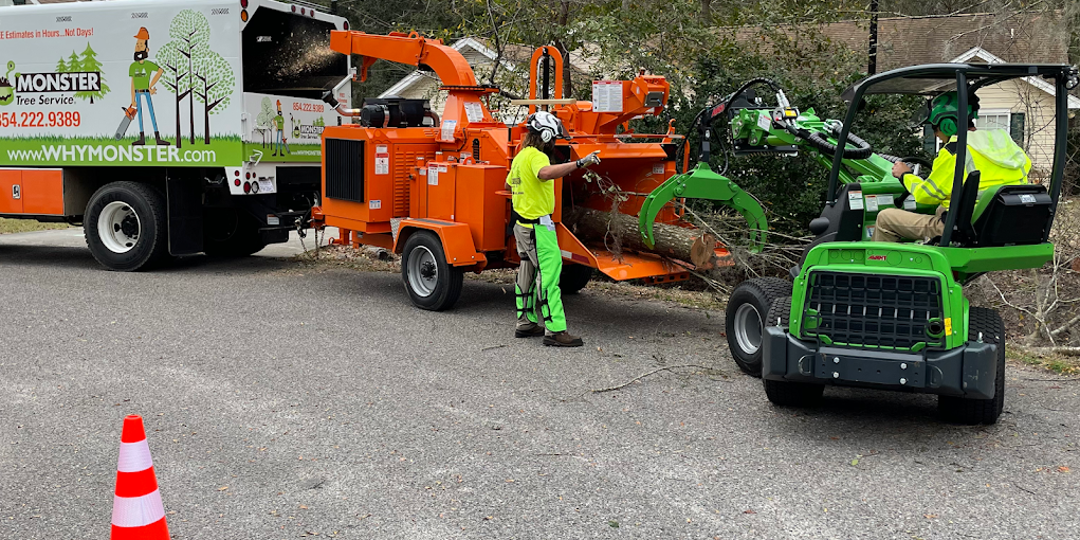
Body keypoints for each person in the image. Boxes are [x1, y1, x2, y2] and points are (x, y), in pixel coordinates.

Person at [873, 91, 1031, 243]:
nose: (935, 134)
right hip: (1001, 221)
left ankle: (879, 269)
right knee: (940, 210)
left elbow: (925, 195)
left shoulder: (955, 151)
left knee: (885, 218)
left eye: (935, 128)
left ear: (947, 124)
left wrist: (905, 175)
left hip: (965, 228)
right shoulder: (1004, 143)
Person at [508, 111, 600, 347]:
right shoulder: (538, 157)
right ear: (546, 135)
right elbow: (545, 173)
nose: (554, 143)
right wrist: (580, 163)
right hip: (538, 227)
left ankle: (526, 323)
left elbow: (508, 184)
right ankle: (555, 330)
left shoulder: (520, 156)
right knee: (549, 276)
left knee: (526, 272)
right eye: (553, 138)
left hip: (521, 225)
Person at [128, 27, 170, 146]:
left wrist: (151, 85)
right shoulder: (132, 67)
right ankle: (142, 138)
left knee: (151, 114)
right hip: (137, 92)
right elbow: (132, 83)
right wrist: (132, 100)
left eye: (141, 44)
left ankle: (157, 138)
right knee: (140, 114)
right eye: (137, 44)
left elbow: (160, 71)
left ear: (147, 49)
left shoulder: (148, 64)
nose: (138, 46)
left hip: (146, 91)